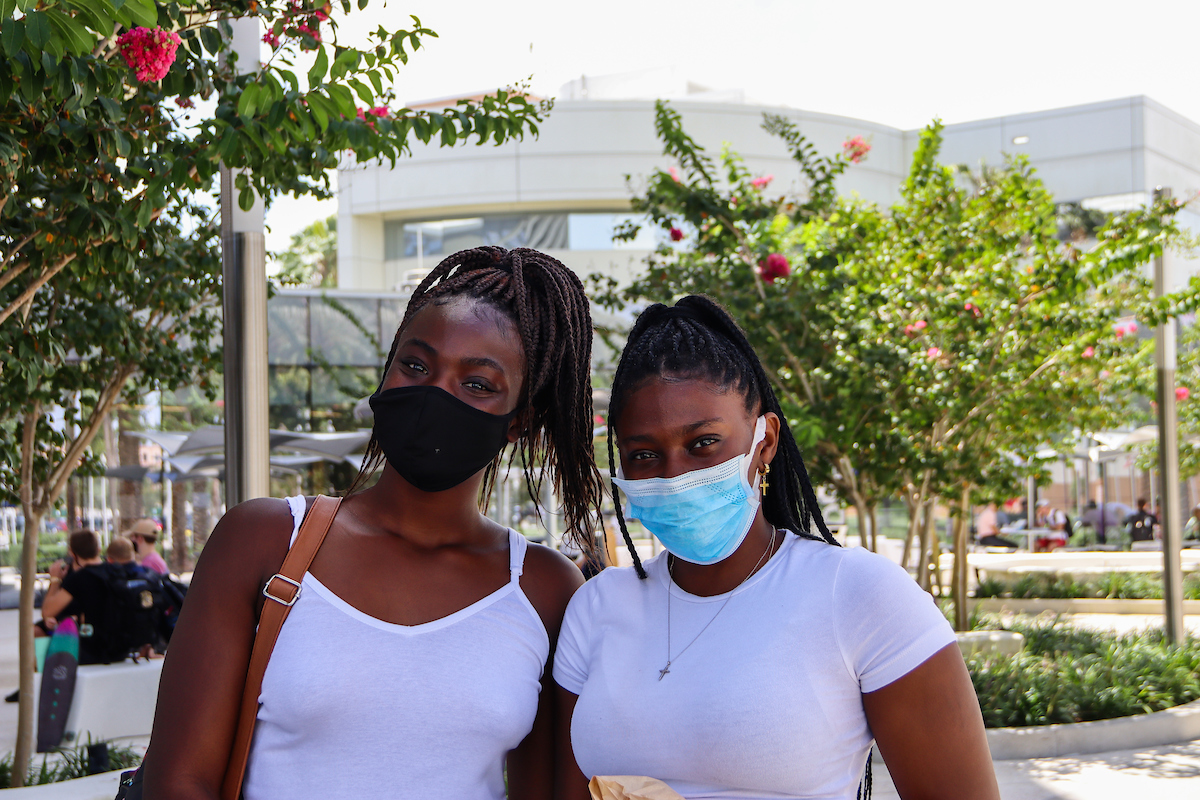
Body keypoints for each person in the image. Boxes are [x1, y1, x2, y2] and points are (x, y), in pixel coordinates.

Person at [142, 246, 604, 800]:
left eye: (478, 384)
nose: (434, 393)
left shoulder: (544, 589)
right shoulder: (264, 541)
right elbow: (179, 782)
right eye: (416, 365)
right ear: (386, 374)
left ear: (520, 421)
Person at [553, 297, 999, 800]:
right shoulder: (596, 607)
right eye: (645, 454)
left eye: (703, 443)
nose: (675, 475)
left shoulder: (858, 595)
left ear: (764, 441)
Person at [40, 530, 128, 664]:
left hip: (92, 650)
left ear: (72, 553)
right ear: (98, 549)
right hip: (120, 648)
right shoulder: (116, 570)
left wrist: (55, 580)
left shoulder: (80, 578)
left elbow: (48, 611)